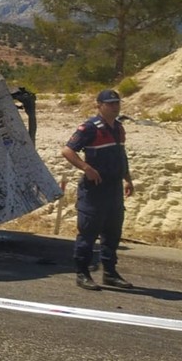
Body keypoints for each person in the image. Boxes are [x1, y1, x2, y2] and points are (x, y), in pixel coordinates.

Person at [61, 89, 135, 291]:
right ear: (99, 105)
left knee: (112, 232)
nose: (114, 106)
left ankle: (110, 273)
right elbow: (68, 151)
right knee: (88, 232)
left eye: (116, 103)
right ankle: (82, 274)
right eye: (109, 103)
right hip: (94, 189)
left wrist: (127, 179)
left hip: (113, 188)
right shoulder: (90, 128)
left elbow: (121, 156)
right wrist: (87, 168)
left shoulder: (119, 128)